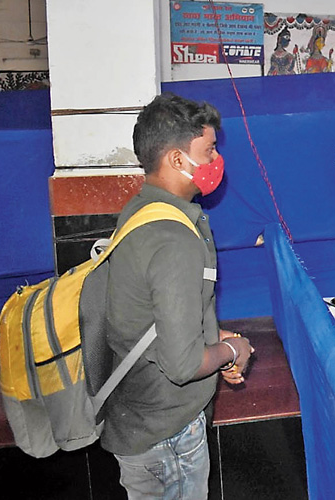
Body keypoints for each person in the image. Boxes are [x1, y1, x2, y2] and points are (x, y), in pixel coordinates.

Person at [102, 92, 254, 499]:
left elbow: (159, 314)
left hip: (138, 416)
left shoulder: (140, 211)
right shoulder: (174, 239)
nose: (216, 161)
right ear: (175, 160)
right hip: (167, 436)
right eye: (208, 151)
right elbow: (184, 365)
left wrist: (214, 339)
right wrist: (233, 350)